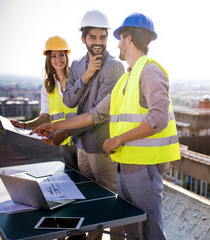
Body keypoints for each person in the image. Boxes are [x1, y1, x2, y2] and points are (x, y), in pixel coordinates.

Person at [32, 13, 181, 240]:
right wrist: (56, 125)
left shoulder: (150, 70)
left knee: (150, 232)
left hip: (144, 167)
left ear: (129, 38)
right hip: (124, 165)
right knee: (133, 231)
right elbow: (94, 115)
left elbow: (158, 119)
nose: (116, 43)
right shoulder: (126, 79)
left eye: (119, 38)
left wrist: (119, 139)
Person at [62, 10, 125, 240]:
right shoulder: (78, 66)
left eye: (103, 37)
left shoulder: (114, 67)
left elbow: (98, 113)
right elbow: (68, 100)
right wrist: (86, 76)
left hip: (103, 147)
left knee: (111, 203)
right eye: (93, 37)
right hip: (81, 146)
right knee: (89, 202)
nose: (98, 42)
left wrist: (62, 127)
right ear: (83, 39)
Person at [11, 36, 78, 170]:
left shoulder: (76, 78)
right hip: (64, 142)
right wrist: (24, 125)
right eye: (54, 56)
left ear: (66, 56)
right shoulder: (48, 85)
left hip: (82, 138)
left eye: (61, 55)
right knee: (74, 178)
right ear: (49, 59)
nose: (58, 59)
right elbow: (44, 116)